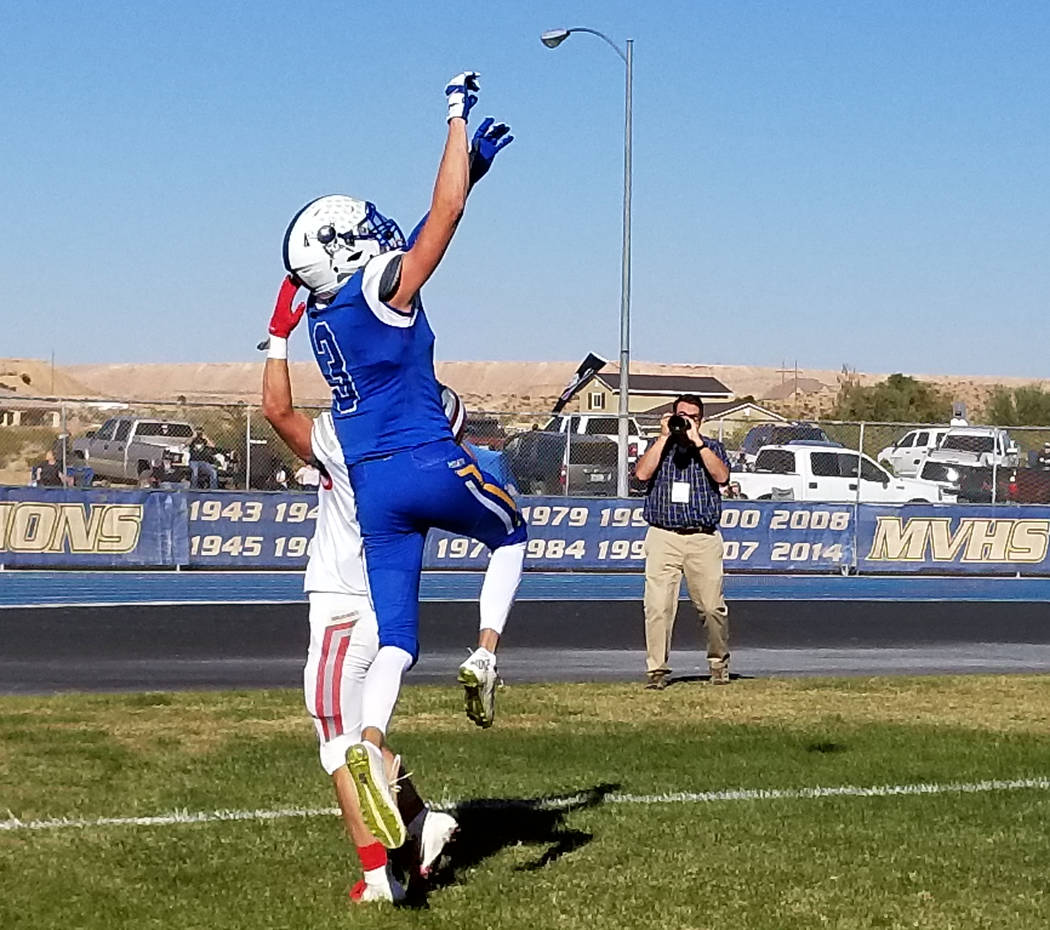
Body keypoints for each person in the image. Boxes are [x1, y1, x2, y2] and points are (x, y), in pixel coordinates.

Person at [277, 73, 527, 846]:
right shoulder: (380, 287)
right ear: (344, 248)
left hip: (376, 486)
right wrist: (455, 119)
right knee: (512, 530)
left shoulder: (324, 318)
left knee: (395, 642)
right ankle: (486, 656)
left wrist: (472, 172)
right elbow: (439, 221)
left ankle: (373, 743)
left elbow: (427, 229)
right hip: (423, 458)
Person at [261, 312, 458, 902]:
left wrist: (279, 334)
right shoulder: (429, 463)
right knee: (359, 737)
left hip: (345, 605)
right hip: (387, 608)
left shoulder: (355, 443)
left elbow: (277, 411)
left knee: (337, 745)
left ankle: (380, 876)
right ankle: (422, 821)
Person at [633, 394, 732, 690]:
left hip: (702, 537)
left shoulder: (712, 448)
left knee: (713, 607)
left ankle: (718, 664)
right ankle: (657, 670)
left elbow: (722, 476)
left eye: (692, 417)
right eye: (680, 415)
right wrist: (664, 438)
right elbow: (641, 474)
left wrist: (697, 441)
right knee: (658, 606)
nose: (685, 421)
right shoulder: (660, 448)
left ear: (701, 421)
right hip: (664, 536)